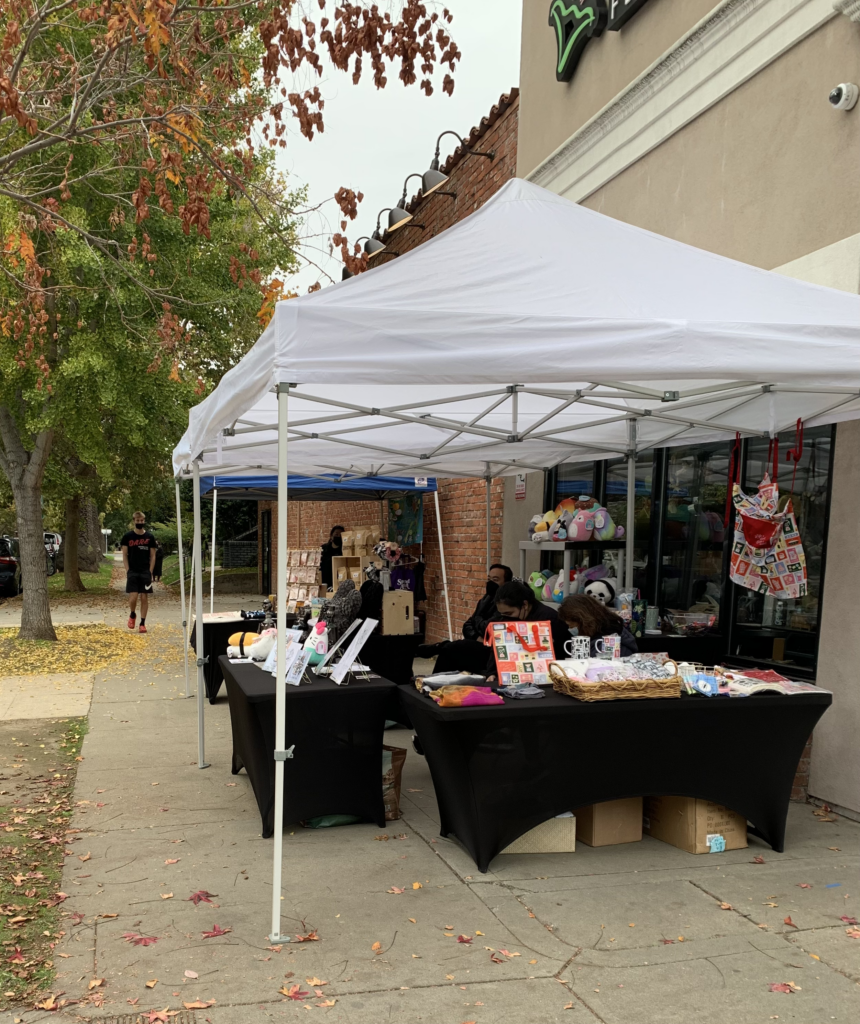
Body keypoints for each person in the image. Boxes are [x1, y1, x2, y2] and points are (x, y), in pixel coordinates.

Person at [426, 564, 514, 675]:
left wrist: (476, 619)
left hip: (492, 650)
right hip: (478, 642)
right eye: (489, 579)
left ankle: (438, 649)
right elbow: (467, 625)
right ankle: (436, 679)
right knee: (451, 652)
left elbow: (488, 627)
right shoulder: (485, 599)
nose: (490, 583)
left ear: (506, 583)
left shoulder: (507, 604)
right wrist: (477, 636)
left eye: (495, 580)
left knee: (454, 648)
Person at [486, 580, 571, 678]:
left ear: (525, 605)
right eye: (502, 614)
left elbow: (559, 654)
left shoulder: (550, 619)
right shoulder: (507, 617)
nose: (505, 618)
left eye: (509, 614)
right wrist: (491, 673)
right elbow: (499, 648)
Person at [558, 593, 638, 657]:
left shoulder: (612, 643)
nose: (570, 630)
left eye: (571, 626)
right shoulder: (596, 636)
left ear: (583, 622)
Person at [121, 511, 157, 633]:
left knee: (144, 597)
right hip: (133, 571)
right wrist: (127, 570)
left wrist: (150, 571)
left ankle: (142, 623)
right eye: (138, 521)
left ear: (144, 521)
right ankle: (132, 614)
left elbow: (153, 556)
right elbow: (124, 555)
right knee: (133, 597)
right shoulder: (127, 537)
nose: (140, 522)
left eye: (142, 520)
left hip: (145, 571)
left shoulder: (149, 537)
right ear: (134, 521)